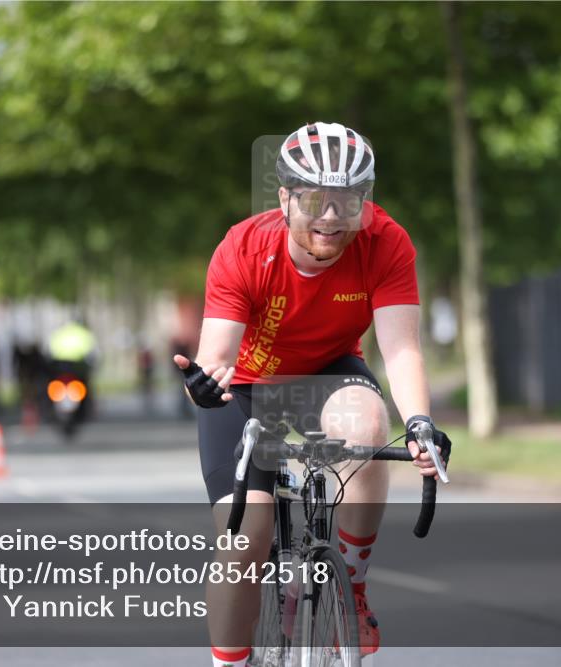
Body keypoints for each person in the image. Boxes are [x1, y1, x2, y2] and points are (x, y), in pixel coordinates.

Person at [173, 122, 451, 666]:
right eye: (315, 201)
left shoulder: (386, 242)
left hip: (328, 373)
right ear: (286, 198)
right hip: (248, 388)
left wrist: (419, 421)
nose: (330, 217)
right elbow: (218, 358)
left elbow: (400, 349)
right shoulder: (244, 248)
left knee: (370, 423)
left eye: (346, 203)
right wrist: (205, 387)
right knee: (243, 541)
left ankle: (353, 583)